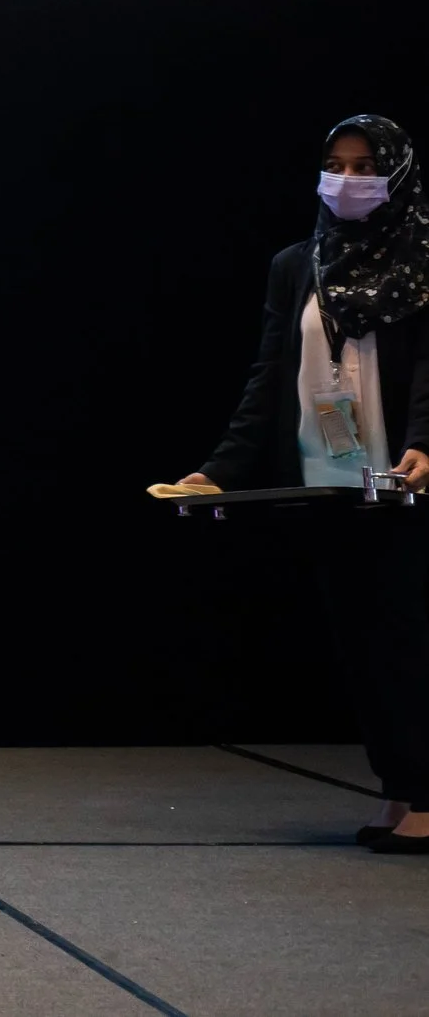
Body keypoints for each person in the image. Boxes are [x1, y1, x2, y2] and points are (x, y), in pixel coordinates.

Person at [170, 115, 429, 852]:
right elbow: (269, 375)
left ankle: (427, 794)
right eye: (336, 164)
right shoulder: (297, 264)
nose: (348, 180)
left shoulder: (421, 258)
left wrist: (425, 441)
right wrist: (218, 471)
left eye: (365, 166)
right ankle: (400, 787)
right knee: (363, 647)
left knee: (409, 641)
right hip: (332, 483)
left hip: (407, 482)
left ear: (398, 172)